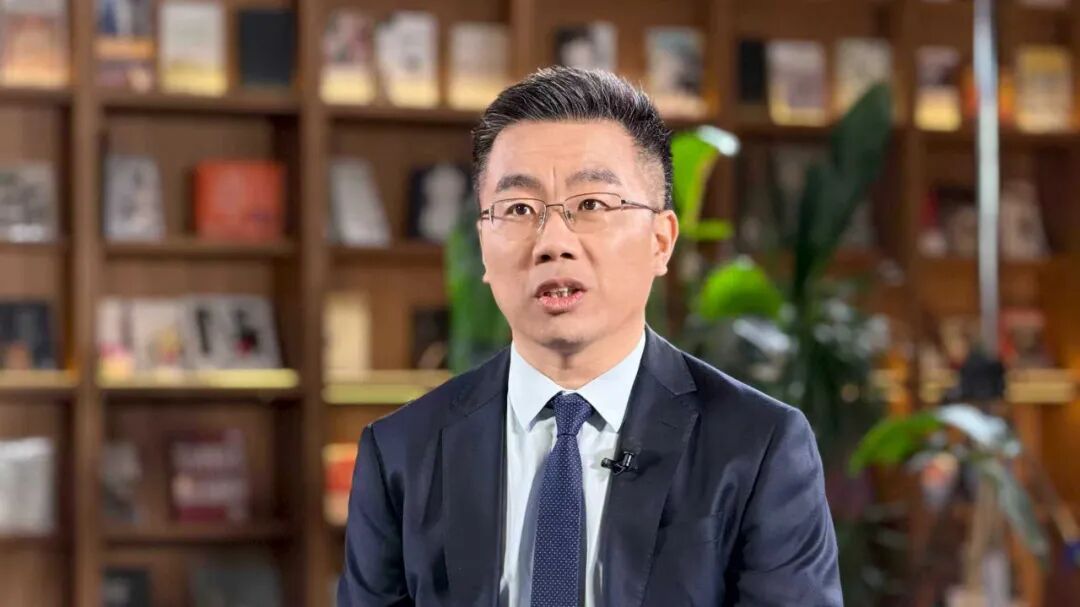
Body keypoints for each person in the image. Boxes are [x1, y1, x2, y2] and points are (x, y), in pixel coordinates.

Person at [338, 66, 842, 607]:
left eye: (592, 205)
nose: (553, 242)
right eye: (519, 209)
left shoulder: (758, 445)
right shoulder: (401, 451)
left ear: (661, 240)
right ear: (482, 243)